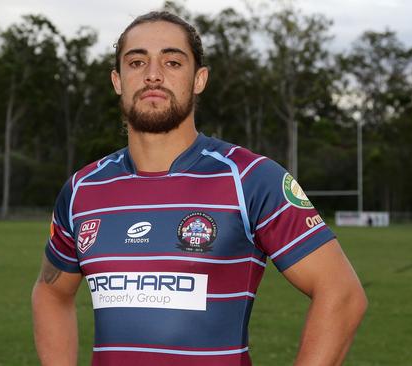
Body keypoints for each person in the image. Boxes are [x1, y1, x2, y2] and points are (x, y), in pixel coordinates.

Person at [32, 11, 367, 366]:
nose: (153, 74)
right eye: (137, 61)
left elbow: (342, 293)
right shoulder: (83, 189)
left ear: (199, 79)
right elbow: (51, 290)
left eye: (172, 61)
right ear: (118, 80)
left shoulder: (250, 179)